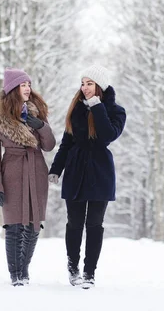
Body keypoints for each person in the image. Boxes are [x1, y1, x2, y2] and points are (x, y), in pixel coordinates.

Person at [48, 65, 126, 289]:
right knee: (74, 224)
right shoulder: (76, 110)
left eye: (89, 83)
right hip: (75, 171)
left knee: (94, 224)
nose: (85, 88)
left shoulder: (115, 111)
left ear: (100, 86)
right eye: (83, 83)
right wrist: (56, 169)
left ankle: (89, 272)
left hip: (100, 173)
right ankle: (73, 269)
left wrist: (97, 107)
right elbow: (67, 143)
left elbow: (107, 136)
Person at [0, 68, 56, 286]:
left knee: (34, 225)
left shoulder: (37, 111)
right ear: (13, 89)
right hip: (12, 173)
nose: (28, 88)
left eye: (29, 84)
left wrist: (41, 126)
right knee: (14, 226)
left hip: (36, 171)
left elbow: (50, 145)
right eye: (23, 84)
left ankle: (24, 270)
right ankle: (15, 275)